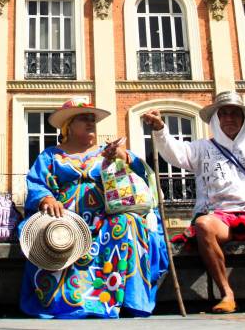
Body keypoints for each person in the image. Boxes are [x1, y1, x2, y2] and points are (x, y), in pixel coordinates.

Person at [148, 90, 245, 314]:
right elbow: (176, 153)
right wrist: (160, 130)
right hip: (220, 215)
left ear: (243, 119)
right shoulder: (202, 148)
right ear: (216, 118)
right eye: (224, 114)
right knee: (203, 225)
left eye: (235, 113)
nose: (229, 118)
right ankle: (227, 293)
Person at [19, 98, 169, 319]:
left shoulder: (108, 151)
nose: (91, 123)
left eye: (93, 119)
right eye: (84, 119)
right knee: (53, 235)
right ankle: (66, 299)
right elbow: (37, 183)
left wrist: (125, 157)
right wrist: (46, 200)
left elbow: (143, 176)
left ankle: (122, 299)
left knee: (128, 222)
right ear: (68, 125)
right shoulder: (50, 155)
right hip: (64, 219)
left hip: (105, 218)